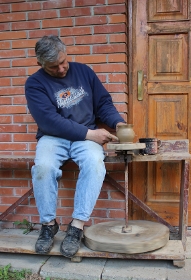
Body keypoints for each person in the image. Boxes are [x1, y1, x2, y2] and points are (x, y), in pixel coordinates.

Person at [25, 35, 126, 258]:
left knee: (94, 163)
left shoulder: (84, 72)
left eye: (64, 62)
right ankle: (48, 224)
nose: (61, 69)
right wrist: (90, 134)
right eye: (54, 67)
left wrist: (118, 123)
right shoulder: (35, 84)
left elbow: (103, 104)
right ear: (40, 63)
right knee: (43, 167)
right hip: (54, 137)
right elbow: (49, 121)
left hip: (85, 138)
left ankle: (77, 226)